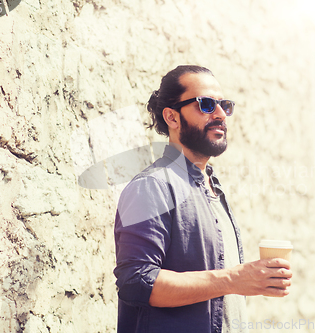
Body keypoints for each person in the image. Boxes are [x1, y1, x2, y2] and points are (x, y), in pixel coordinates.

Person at [113, 65, 292, 333]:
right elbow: (137, 282)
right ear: (172, 118)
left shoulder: (213, 188)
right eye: (206, 104)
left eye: (224, 105)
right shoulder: (151, 187)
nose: (220, 114)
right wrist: (233, 279)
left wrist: (250, 281)